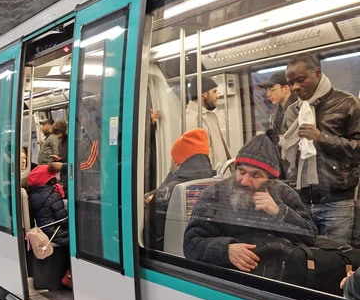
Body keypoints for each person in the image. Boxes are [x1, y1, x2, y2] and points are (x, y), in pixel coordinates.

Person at [184, 131, 317, 272]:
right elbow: (191, 245)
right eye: (241, 171)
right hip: (230, 278)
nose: (245, 181)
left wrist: (280, 212)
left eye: (256, 175)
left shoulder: (284, 194)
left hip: (279, 277)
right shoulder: (214, 195)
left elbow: (310, 237)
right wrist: (226, 250)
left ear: (270, 180)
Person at [282, 53, 360, 244]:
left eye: (300, 80)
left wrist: (321, 138)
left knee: (334, 261)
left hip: (336, 200)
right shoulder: (293, 111)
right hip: (300, 200)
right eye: (291, 83)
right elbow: (285, 155)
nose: (295, 87)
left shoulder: (347, 104)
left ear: (317, 73)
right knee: (305, 261)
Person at [143, 129, 213, 250]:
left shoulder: (170, 191)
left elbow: (150, 239)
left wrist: (171, 174)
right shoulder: (211, 183)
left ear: (177, 161)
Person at [186, 76, 231, 171]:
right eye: (214, 92)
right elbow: (199, 158)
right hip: (211, 178)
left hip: (220, 176)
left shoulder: (210, 116)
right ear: (203, 94)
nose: (217, 96)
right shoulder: (193, 118)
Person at [28, 165, 69, 246]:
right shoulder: (54, 196)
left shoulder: (33, 195)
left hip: (45, 232)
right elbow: (63, 219)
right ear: (50, 180)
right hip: (58, 234)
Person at [259, 71, 297, 136]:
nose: (268, 94)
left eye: (272, 89)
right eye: (267, 90)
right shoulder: (279, 113)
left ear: (286, 89)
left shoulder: (296, 110)